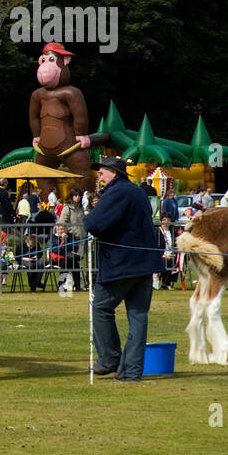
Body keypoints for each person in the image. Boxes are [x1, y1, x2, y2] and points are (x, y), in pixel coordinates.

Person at [84, 156, 164, 382]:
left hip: (122, 264)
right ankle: (131, 372)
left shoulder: (117, 192)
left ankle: (110, 358)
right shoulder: (136, 191)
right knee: (138, 317)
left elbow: (92, 224)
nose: (99, 176)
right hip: (144, 263)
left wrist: (93, 216)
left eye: (102, 172)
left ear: (114, 173)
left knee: (100, 307)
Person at [154, 213, 181, 290]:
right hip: (160, 255)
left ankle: (167, 282)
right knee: (168, 261)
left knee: (177, 261)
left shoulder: (173, 232)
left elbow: (176, 244)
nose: (166, 221)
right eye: (164, 219)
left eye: (168, 219)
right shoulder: (156, 231)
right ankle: (163, 281)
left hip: (171, 254)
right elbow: (154, 246)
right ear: (161, 221)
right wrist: (163, 255)